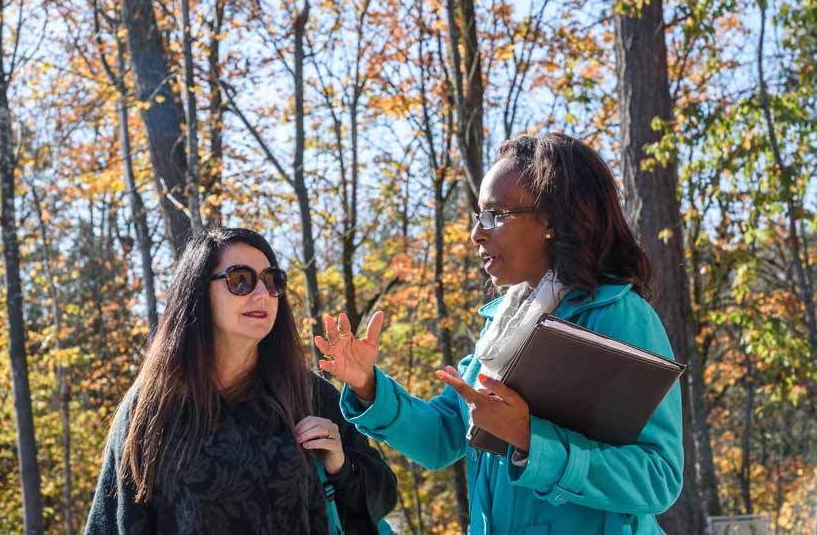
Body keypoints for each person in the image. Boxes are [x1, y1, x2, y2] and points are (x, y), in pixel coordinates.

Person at [317, 133, 684, 534]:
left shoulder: (619, 316)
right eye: (478, 215)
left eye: (496, 214)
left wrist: (531, 441)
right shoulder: (504, 324)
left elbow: (658, 478)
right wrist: (369, 386)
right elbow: (443, 438)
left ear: (552, 219)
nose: (477, 232)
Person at [85, 228, 397, 535]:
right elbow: (110, 525)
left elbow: (382, 498)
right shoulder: (151, 409)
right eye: (240, 280)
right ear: (198, 292)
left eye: (272, 281)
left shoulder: (308, 393)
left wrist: (340, 467)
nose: (262, 294)